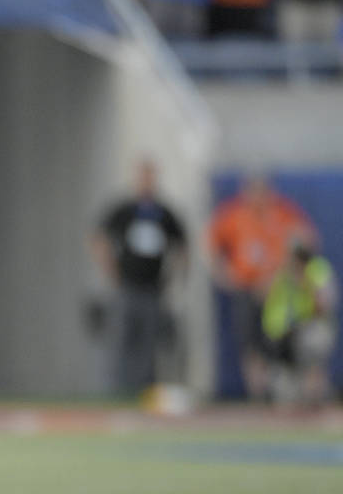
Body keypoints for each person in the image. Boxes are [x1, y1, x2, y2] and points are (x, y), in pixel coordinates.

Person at [208, 174, 317, 400]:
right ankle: (258, 397)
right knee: (250, 345)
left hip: (277, 292)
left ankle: (286, 394)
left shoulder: (282, 213)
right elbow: (211, 242)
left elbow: (308, 239)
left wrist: (284, 272)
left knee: (280, 342)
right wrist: (227, 274)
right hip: (247, 289)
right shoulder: (235, 214)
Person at [89, 158, 187, 396]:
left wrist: (174, 277)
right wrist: (110, 271)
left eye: (150, 176)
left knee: (149, 345)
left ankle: (145, 392)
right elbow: (98, 239)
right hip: (127, 287)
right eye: (143, 176)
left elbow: (182, 247)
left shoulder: (163, 213)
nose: (147, 181)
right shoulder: (124, 210)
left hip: (153, 288)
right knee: (122, 341)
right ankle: (118, 392)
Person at [262, 239, 338, 406]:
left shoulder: (317, 271)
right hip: (285, 331)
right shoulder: (284, 274)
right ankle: (290, 397)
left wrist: (306, 285)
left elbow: (324, 306)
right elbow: (270, 299)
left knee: (313, 345)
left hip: (312, 327)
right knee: (284, 377)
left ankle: (315, 396)